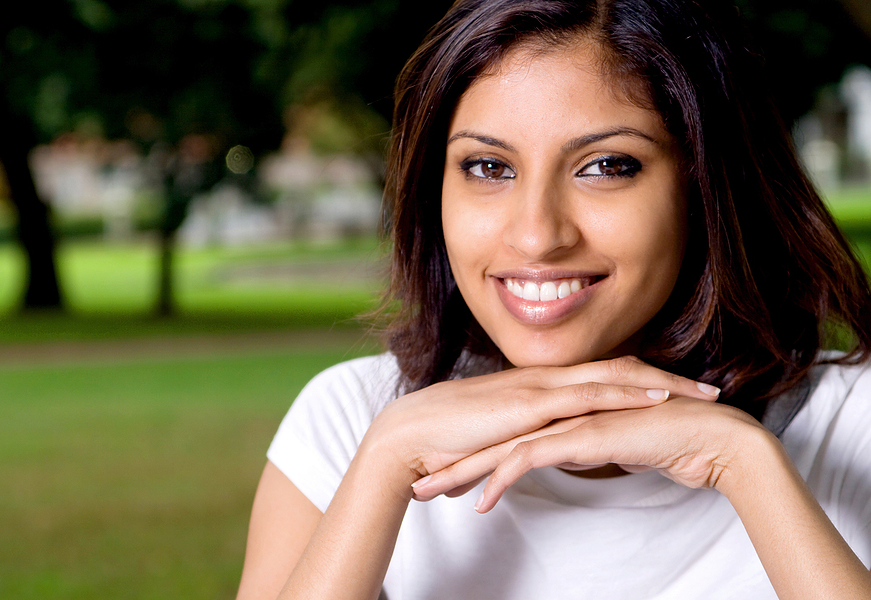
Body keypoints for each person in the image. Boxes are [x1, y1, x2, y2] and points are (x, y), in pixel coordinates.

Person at [236, 0, 871, 598]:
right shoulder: (353, 422)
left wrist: (748, 466)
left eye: (607, 165)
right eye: (489, 167)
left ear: (705, 185)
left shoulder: (851, 423)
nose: (538, 236)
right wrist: (383, 466)